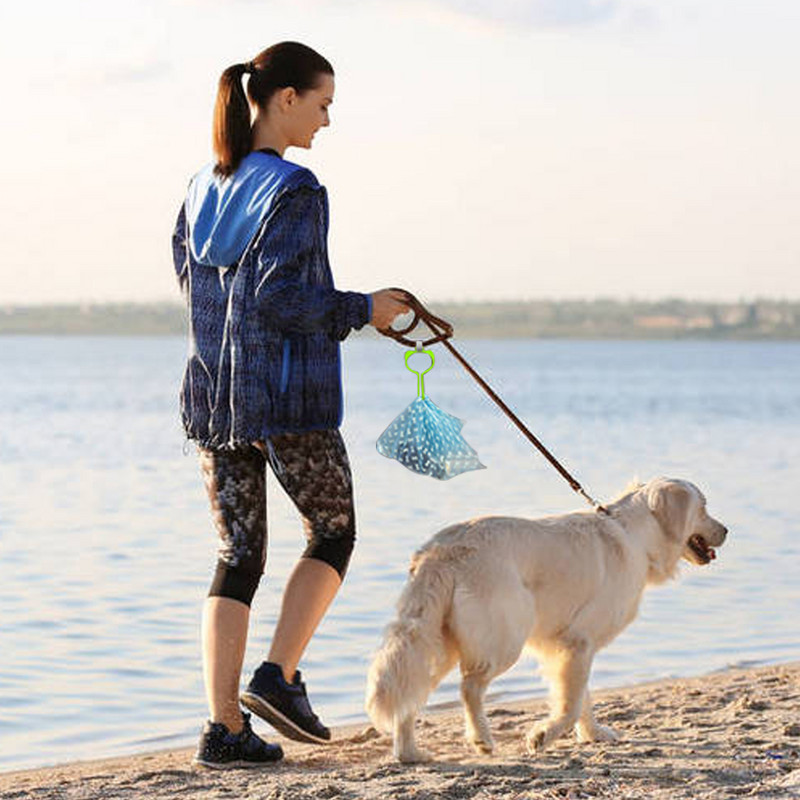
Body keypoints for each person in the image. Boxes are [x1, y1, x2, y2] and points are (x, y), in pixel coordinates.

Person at [171, 41, 409, 769]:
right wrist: (364, 308)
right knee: (334, 533)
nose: (326, 121)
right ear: (284, 100)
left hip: (214, 401)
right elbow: (281, 296)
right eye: (323, 104)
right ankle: (277, 676)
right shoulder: (296, 191)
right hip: (289, 399)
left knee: (237, 557)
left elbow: (191, 278)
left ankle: (222, 731)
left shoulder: (200, 188)